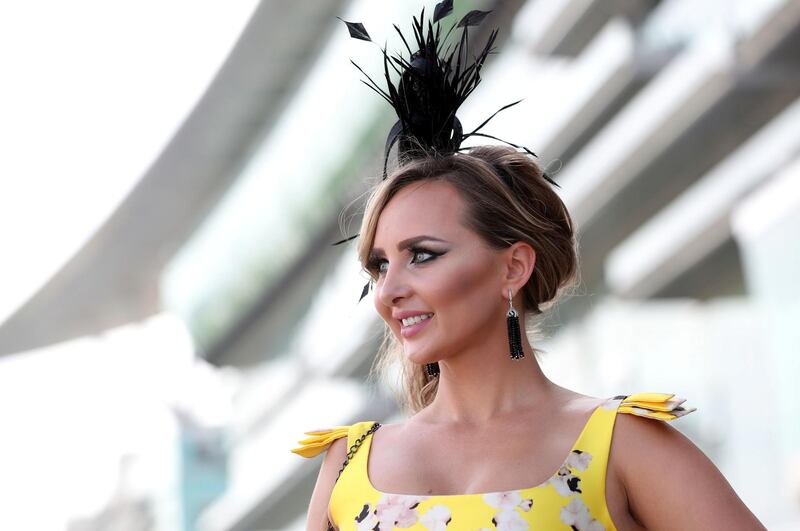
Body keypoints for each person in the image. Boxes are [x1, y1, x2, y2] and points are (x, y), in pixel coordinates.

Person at [291, 3, 766, 529]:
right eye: (380, 266)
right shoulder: (346, 466)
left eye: (422, 255)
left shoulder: (622, 443)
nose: (389, 290)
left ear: (513, 267)